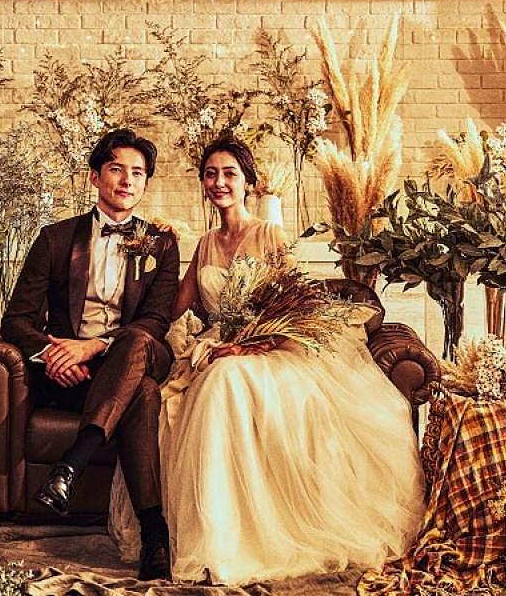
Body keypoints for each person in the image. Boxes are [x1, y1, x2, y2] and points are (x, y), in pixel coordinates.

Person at [161, 134, 425, 585]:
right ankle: (213, 533)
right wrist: (161, 250)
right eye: (211, 174)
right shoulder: (205, 244)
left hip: (270, 346)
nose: (219, 182)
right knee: (202, 382)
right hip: (220, 346)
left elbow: (292, 306)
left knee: (225, 380)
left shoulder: (270, 234)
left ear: (248, 182)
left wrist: (247, 345)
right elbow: (173, 307)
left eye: (229, 174)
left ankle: (237, 540)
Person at [1, 128, 179, 581]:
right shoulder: (55, 239)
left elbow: (156, 321)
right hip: (76, 378)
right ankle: (154, 534)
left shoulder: (161, 244)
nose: (127, 180)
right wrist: (53, 355)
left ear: (146, 183)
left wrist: (93, 346)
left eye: (137, 172)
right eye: (117, 169)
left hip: (134, 351)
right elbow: (17, 320)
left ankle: (70, 466)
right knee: (142, 394)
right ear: (95, 177)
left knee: (137, 340)